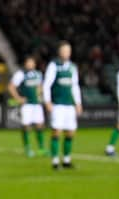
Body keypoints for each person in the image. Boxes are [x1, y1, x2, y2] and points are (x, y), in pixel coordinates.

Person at [43, 41, 83, 169]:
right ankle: (55, 161)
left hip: (69, 105)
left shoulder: (72, 67)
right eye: (65, 50)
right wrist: (47, 101)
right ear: (60, 52)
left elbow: (75, 86)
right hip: (58, 104)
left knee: (70, 132)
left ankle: (66, 160)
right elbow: (47, 84)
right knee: (57, 132)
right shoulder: (54, 65)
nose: (67, 53)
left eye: (69, 50)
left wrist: (78, 103)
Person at [8, 56, 46, 157]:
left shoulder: (38, 74)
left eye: (32, 62)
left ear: (34, 64)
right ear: (25, 64)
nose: (30, 64)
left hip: (36, 104)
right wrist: (18, 98)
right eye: (28, 62)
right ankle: (27, 148)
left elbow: (40, 86)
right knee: (26, 126)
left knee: (39, 125)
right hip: (27, 104)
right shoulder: (21, 74)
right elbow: (11, 87)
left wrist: (39, 93)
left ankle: (41, 148)